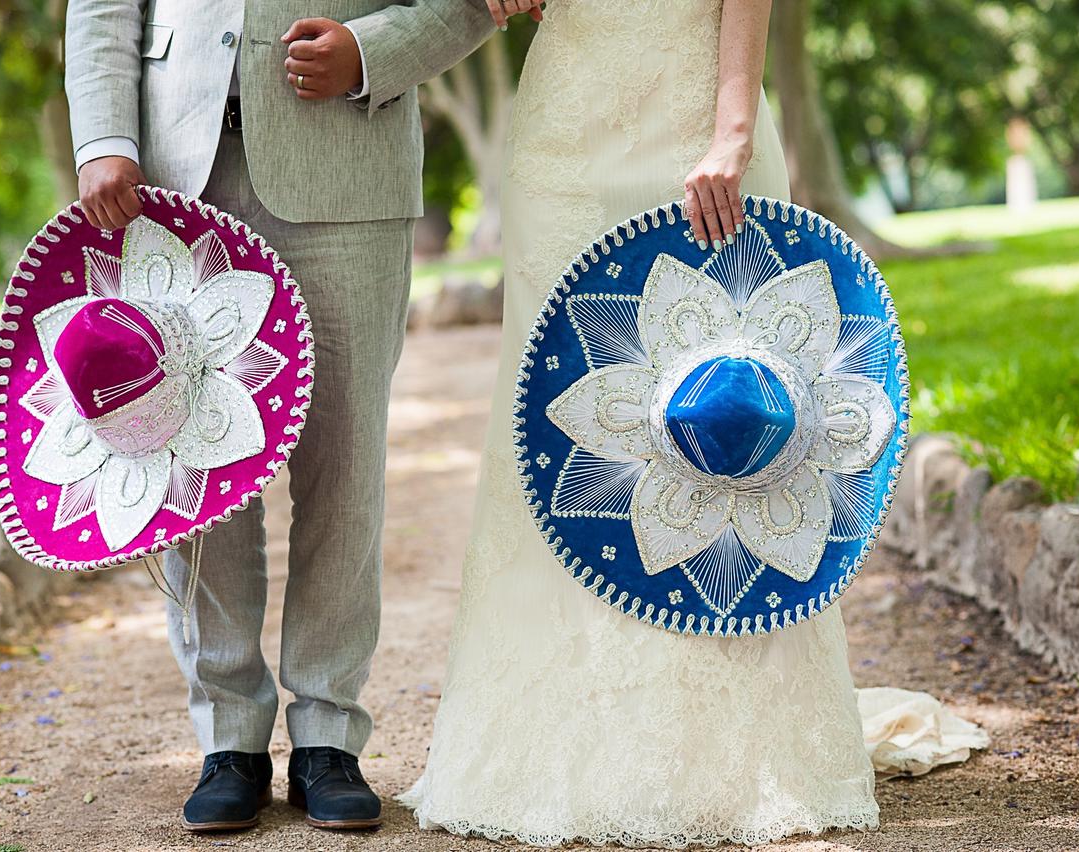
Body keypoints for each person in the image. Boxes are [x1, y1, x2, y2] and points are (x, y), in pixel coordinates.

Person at [401, 0, 884, 845]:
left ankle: (745, 757)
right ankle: (556, 746)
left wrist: (733, 124)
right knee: (562, 430)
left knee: (730, 413)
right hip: (567, 125)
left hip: (701, 108)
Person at [64, 0, 495, 833]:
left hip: (348, 165)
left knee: (345, 458)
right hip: (172, 175)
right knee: (198, 461)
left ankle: (329, 733)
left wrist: (372, 52)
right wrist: (104, 138)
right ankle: (228, 735)